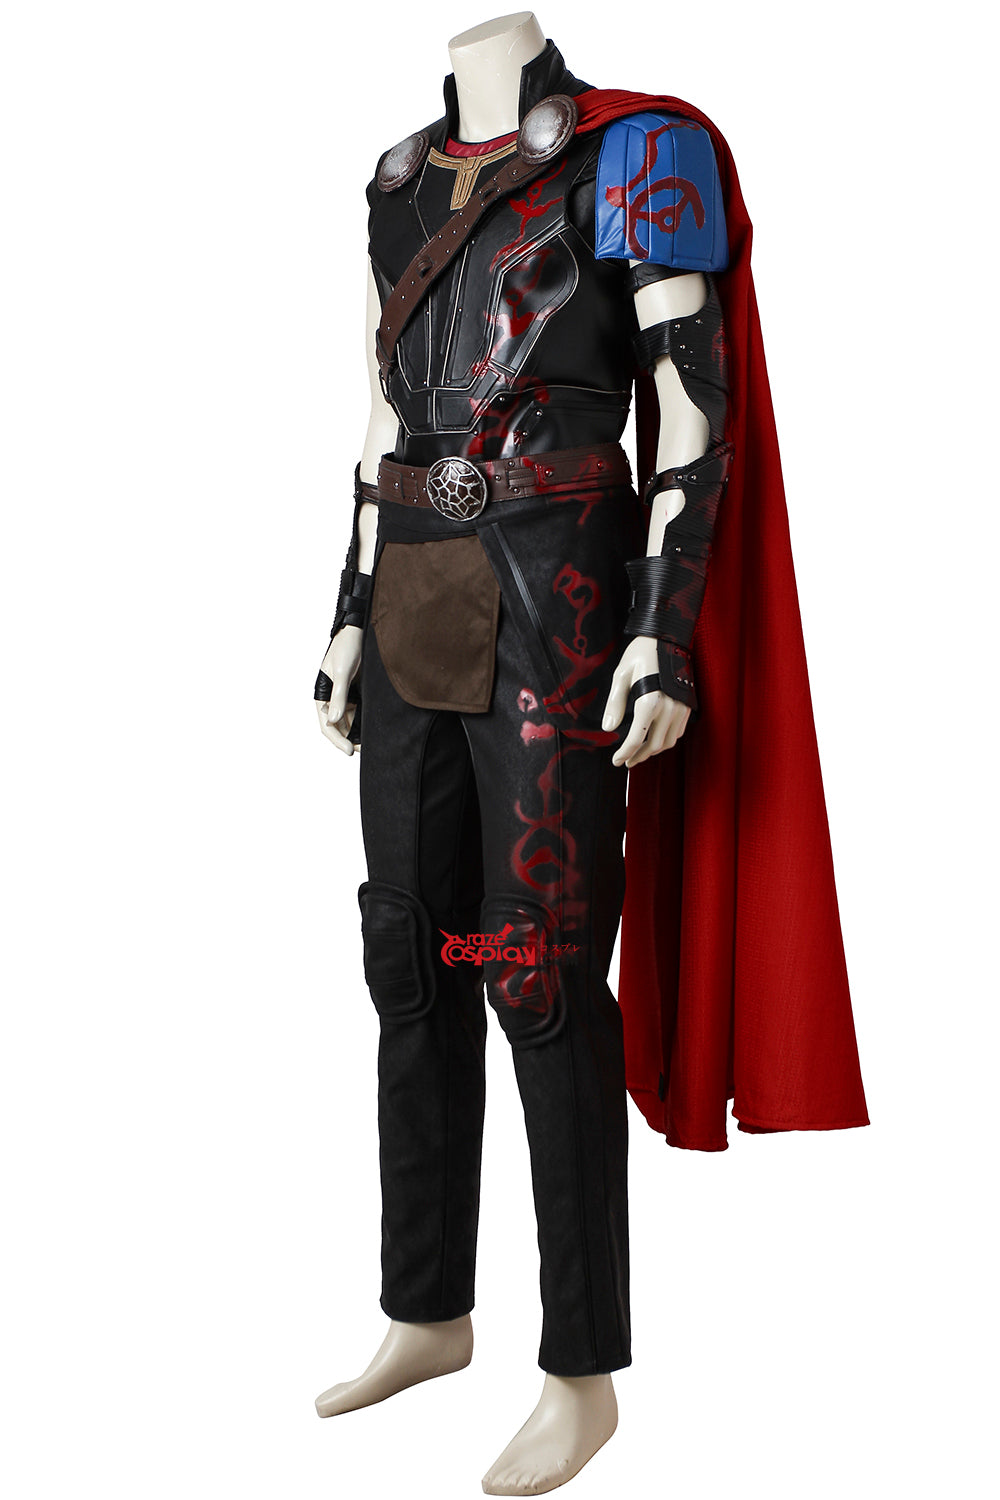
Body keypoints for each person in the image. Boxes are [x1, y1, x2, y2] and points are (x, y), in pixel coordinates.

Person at [312, 14, 868, 1496]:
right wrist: (349, 611)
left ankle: (581, 1372)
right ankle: (426, 1309)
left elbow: (694, 408)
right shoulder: (395, 179)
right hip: (414, 587)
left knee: (540, 968)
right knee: (407, 951)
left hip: (555, 592)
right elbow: (379, 417)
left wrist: (663, 633)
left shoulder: (642, 152)